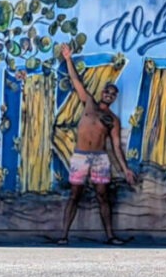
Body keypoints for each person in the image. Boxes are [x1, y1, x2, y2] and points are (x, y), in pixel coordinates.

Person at [58, 43, 136, 245]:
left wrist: (125, 169)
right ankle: (63, 236)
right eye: (107, 92)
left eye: (112, 94)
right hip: (81, 156)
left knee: (103, 196)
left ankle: (110, 236)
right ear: (103, 93)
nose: (109, 95)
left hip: (100, 159)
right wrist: (68, 59)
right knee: (75, 195)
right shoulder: (89, 104)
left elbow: (117, 146)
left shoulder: (113, 120)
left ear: (115, 97)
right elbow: (76, 82)